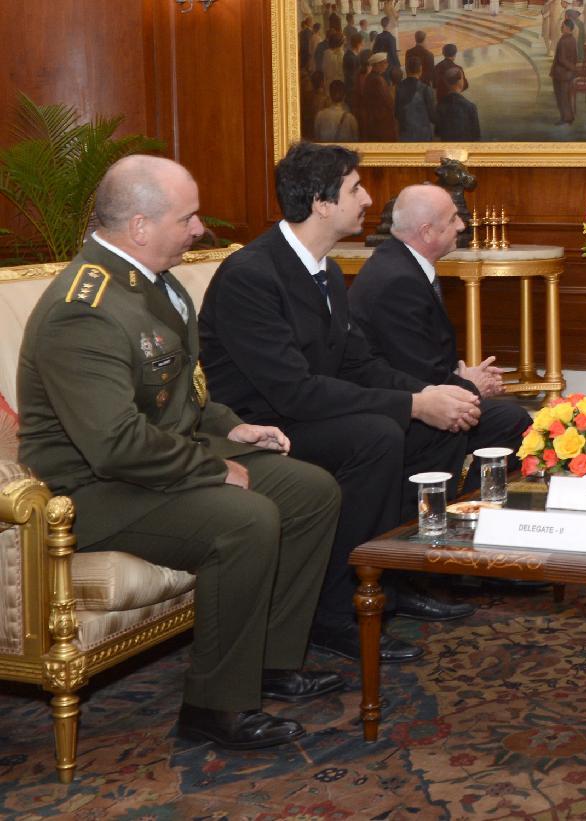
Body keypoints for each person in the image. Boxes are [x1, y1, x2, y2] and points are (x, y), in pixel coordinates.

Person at [16, 155, 344, 750]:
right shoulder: (83, 310)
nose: (199, 229)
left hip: (153, 462)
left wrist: (233, 428)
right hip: (89, 491)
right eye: (187, 218)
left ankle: (270, 661)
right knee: (245, 519)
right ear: (140, 226)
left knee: (310, 490)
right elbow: (114, 444)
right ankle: (215, 707)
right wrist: (212, 469)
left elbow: (182, 394)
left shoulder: (154, 283)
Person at [199, 142, 480, 666]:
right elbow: (293, 391)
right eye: (355, 189)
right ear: (322, 203)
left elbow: (358, 364)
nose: (368, 200)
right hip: (259, 428)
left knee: (436, 426)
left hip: (308, 411)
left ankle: (393, 578)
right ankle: (336, 611)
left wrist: (428, 397)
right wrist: (410, 404)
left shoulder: (325, 270)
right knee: (378, 436)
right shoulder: (252, 274)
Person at [348, 183, 529, 472]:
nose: (461, 225)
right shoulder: (399, 282)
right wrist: (471, 386)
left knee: (508, 418)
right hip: (400, 412)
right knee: (513, 423)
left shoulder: (400, 262)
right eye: (453, 219)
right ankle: (470, 498)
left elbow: (417, 359)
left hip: (413, 391)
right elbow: (417, 374)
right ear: (427, 232)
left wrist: (463, 378)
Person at [396, 55, 437, 141]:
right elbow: (432, 116)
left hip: (405, 134)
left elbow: (397, 113)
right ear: (420, 69)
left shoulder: (398, 87)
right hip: (423, 135)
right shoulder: (426, 89)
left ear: (406, 69)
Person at [360, 52, 398, 141]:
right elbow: (389, 101)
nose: (387, 65)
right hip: (381, 120)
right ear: (377, 65)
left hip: (374, 118)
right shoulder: (378, 80)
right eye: (384, 63)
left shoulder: (370, 77)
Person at [435, 68, 480, 141]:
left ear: (446, 82)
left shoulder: (440, 106)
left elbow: (437, 134)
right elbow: (476, 136)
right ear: (460, 81)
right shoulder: (470, 107)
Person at [550, 18, 577, 125]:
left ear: (568, 28)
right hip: (567, 74)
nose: (561, 28)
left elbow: (561, 59)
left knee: (562, 97)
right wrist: (573, 69)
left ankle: (565, 118)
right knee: (566, 97)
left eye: (563, 26)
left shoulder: (564, 40)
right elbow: (575, 57)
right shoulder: (572, 39)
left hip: (561, 74)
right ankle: (569, 117)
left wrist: (572, 68)